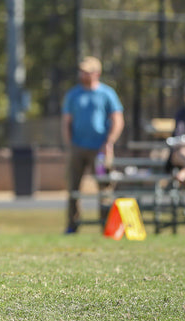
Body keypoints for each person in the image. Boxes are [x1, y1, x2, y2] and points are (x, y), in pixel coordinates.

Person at [61, 56, 124, 234]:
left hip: (100, 149)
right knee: (73, 188)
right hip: (78, 147)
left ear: (97, 73)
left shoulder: (107, 94)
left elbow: (118, 120)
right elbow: (66, 121)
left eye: (87, 72)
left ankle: (106, 226)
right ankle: (72, 226)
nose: (83, 75)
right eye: (82, 71)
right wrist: (69, 144)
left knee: (104, 188)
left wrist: (109, 142)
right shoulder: (73, 94)